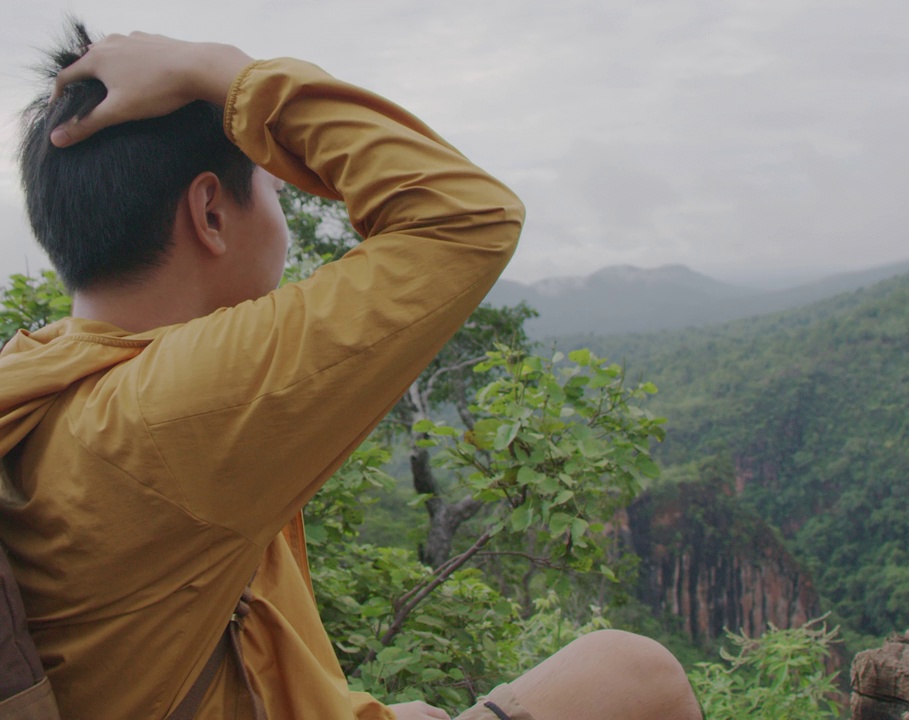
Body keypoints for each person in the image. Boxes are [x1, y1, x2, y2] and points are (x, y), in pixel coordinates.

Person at [0, 23, 701, 720]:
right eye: (275, 193)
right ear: (210, 212)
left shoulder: (44, 370)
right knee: (636, 674)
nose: (283, 217)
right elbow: (466, 218)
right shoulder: (162, 413)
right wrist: (223, 70)